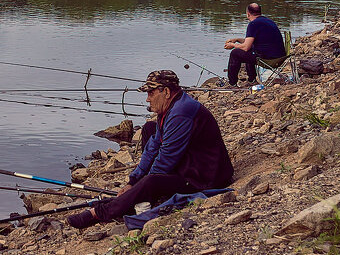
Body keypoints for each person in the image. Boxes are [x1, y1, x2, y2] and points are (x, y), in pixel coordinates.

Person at [67, 70, 233, 229]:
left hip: (206, 178)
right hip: (191, 164)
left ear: (166, 92)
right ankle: (140, 196)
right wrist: (133, 181)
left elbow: (165, 159)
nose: (147, 99)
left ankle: (100, 213)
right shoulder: (170, 107)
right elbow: (153, 146)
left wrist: (143, 184)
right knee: (149, 128)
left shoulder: (181, 112)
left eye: (151, 93)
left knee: (151, 180)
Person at [222, 3, 286, 86]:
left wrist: (233, 45)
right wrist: (237, 40)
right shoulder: (267, 21)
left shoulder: (253, 24)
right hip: (279, 56)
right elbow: (249, 42)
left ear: (248, 14)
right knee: (251, 49)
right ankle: (252, 80)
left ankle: (232, 84)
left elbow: (245, 47)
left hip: (270, 59)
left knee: (235, 53)